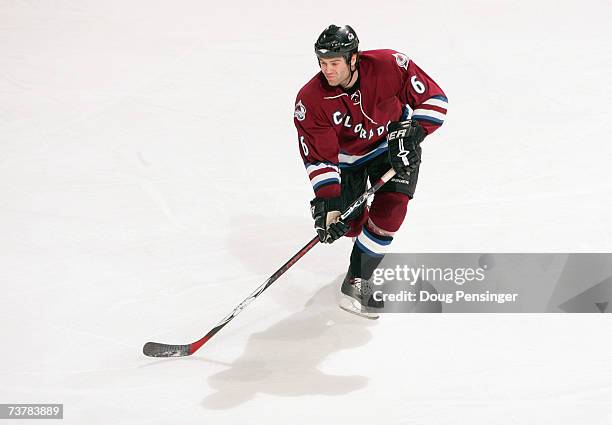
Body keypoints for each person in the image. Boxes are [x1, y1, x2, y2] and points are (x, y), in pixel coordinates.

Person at [293, 24, 448, 318]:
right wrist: (329, 203)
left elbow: (434, 99)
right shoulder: (311, 100)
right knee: (350, 224)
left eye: (335, 63)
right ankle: (361, 244)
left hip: (392, 149)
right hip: (348, 161)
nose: (328, 70)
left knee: (391, 210)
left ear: (354, 59)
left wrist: (414, 132)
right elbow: (319, 157)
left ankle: (357, 279)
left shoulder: (390, 65)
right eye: (323, 63)